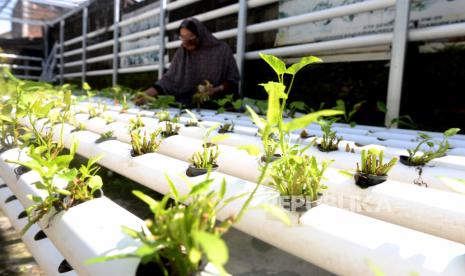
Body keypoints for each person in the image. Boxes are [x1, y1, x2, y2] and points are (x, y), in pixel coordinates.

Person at [138, 18, 240, 106]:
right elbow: (169, 79)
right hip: (189, 105)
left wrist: (217, 89)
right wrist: (147, 94)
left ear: (200, 35)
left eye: (191, 37)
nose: (185, 42)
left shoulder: (221, 50)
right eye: (182, 37)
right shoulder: (183, 52)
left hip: (219, 105)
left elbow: (233, 79)